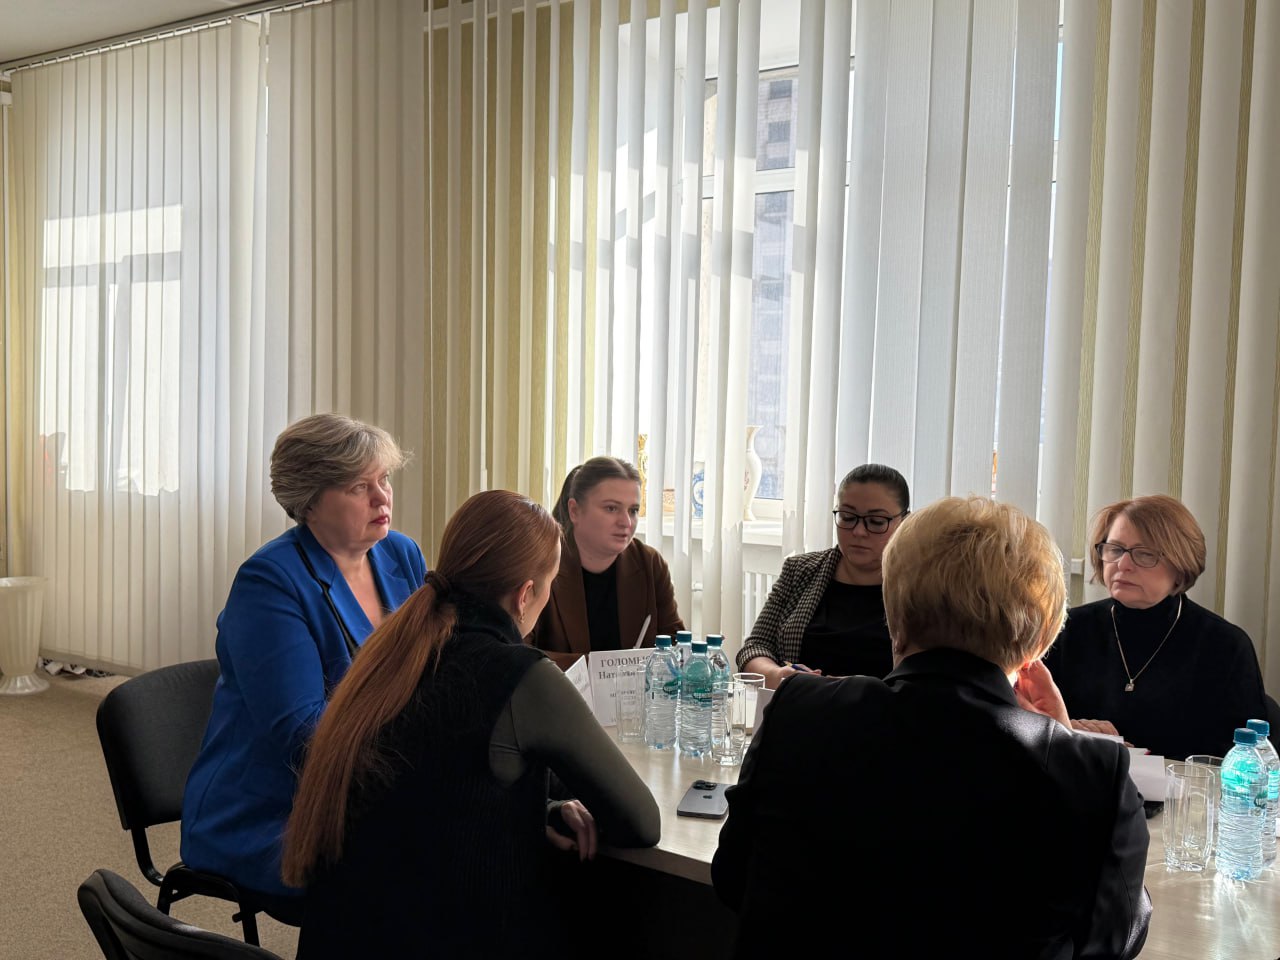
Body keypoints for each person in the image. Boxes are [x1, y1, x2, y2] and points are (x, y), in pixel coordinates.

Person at [713, 496, 1151, 960]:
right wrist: (1063, 745)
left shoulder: (798, 711)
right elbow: (1112, 940)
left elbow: (733, 878)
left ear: (893, 615)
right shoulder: (1092, 773)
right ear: (1040, 643)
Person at [282, 490, 661, 959]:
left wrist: (536, 808)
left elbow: (430, 791)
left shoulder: (389, 656)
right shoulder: (520, 675)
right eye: (549, 586)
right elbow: (641, 822)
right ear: (525, 595)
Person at [181, 414, 427, 920]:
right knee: (421, 872)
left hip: (371, 785)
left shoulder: (401, 555)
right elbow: (304, 734)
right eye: (359, 487)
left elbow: (432, 673)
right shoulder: (269, 582)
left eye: (383, 479)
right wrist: (423, 761)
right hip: (273, 810)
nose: (382, 498)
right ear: (309, 501)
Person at [1043, 494, 1267, 760]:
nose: (1123, 565)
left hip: (1177, 787)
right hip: (1079, 780)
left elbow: (1241, 757)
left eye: (1145, 554)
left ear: (1181, 564)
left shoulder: (1225, 646)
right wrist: (1070, 732)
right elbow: (1031, 721)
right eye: (1115, 549)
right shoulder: (1065, 628)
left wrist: (1133, 760)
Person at [735, 463, 909, 687]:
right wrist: (779, 676)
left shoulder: (918, 586)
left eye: (876, 522)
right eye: (847, 517)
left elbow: (930, 675)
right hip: (802, 704)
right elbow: (755, 647)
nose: (858, 531)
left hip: (879, 708)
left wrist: (857, 690)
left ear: (905, 521)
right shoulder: (801, 570)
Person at [529, 456, 684, 667]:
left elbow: (677, 645)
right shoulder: (539, 562)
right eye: (611, 508)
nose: (626, 522)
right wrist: (599, 667)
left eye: (633, 510)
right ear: (574, 511)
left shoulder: (649, 563)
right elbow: (519, 654)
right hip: (558, 689)